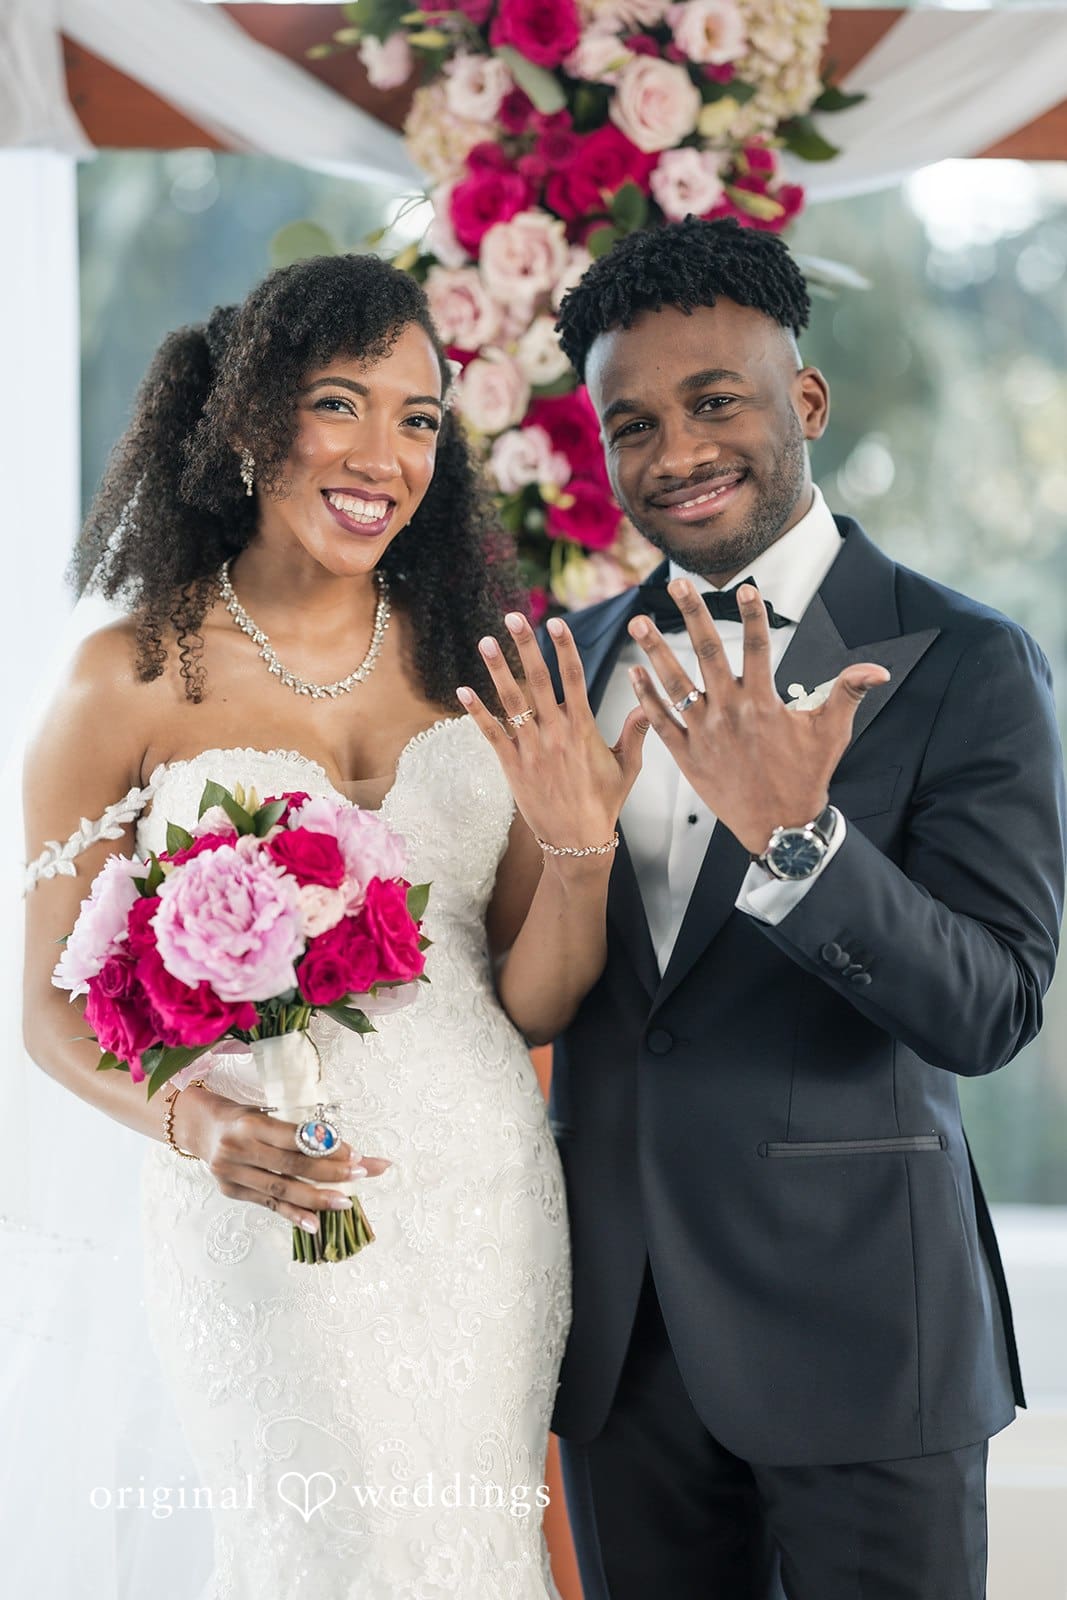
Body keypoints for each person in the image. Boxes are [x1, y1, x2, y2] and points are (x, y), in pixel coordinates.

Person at [20, 253, 650, 1599]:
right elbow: (46, 1009)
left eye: (419, 418)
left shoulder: (481, 656)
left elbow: (533, 999)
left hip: (482, 1204)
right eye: (340, 403)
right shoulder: (131, 675)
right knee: (330, 1551)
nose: (385, 453)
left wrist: (580, 844)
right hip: (259, 1198)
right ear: (252, 421)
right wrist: (194, 1120)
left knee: (473, 1552)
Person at [530, 218, 1063, 1600]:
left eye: (716, 402)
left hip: (866, 1345)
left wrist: (803, 840)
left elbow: (993, 1005)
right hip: (621, 1351)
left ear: (804, 402)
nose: (676, 453)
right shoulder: (567, 666)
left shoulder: (966, 662)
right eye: (631, 423)